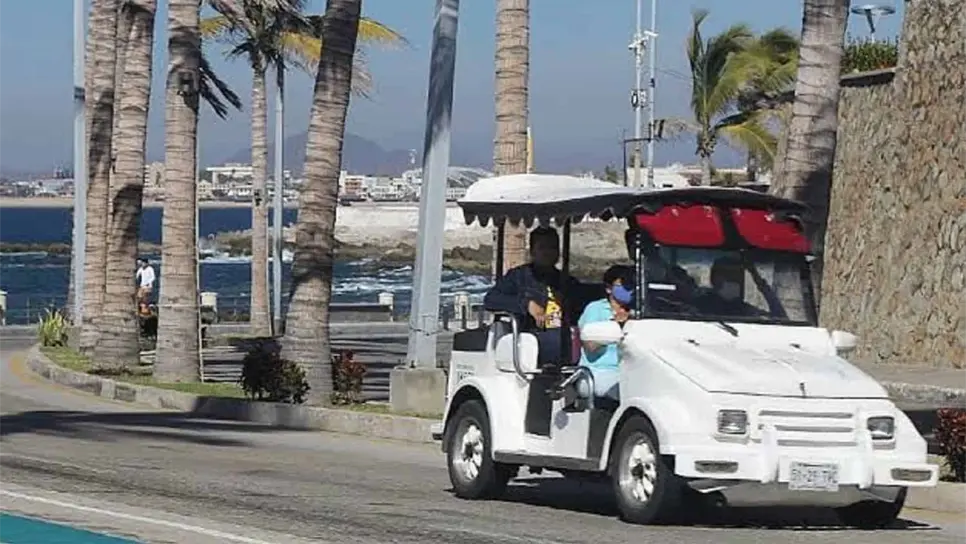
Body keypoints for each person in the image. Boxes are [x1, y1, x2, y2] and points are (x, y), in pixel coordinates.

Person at [483, 226, 589, 365]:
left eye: (552, 247)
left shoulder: (568, 282)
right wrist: (526, 304)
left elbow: (583, 306)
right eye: (542, 247)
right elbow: (491, 300)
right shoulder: (518, 277)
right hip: (531, 341)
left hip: (566, 342)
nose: (548, 252)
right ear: (532, 251)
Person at [576, 265, 634, 401]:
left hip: (632, 370)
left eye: (631, 284)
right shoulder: (595, 309)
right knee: (627, 393)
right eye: (622, 285)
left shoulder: (640, 311)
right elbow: (590, 346)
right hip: (599, 371)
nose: (628, 289)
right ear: (609, 288)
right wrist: (616, 326)